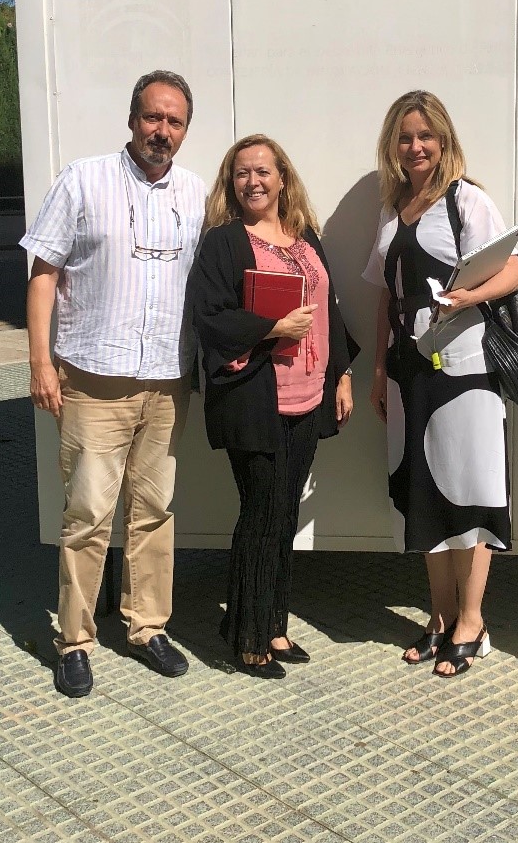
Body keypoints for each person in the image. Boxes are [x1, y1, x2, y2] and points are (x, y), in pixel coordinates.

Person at [22, 69, 205, 698]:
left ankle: (147, 626)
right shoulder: (83, 179)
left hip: (167, 381)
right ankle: (74, 640)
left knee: (154, 511)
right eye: (153, 117)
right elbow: (43, 272)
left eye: (174, 121)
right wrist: (41, 362)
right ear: (132, 120)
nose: (162, 130)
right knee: (88, 514)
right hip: (94, 380)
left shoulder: (196, 194)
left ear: (184, 131)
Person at [363, 91, 518, 677]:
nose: (416, 146)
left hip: (465, 368)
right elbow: (386, 296)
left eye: (425, 135)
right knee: (424, 491)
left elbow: (516, 270)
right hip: (409, 372)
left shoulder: (466, 200)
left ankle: (472, 621)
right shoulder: (393, 208)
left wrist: (466, 297)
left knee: (471, 490)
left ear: (443, 140)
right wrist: (378, 369)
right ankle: (438, 616)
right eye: (405, 137)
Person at [189, 134, 356, 678]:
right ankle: (247, 637)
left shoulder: (305, 237)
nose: (253, 181)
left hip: (308, 397)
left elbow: (329, 308)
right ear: (230, 183)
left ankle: (273, 624)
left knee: (285, 513)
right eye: (241, 173)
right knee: (261, 512)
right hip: (255, 400)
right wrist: (272, 327)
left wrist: (342, 373)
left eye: (263, 171)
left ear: (283, 177)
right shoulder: (224, 243)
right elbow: (209, 316)